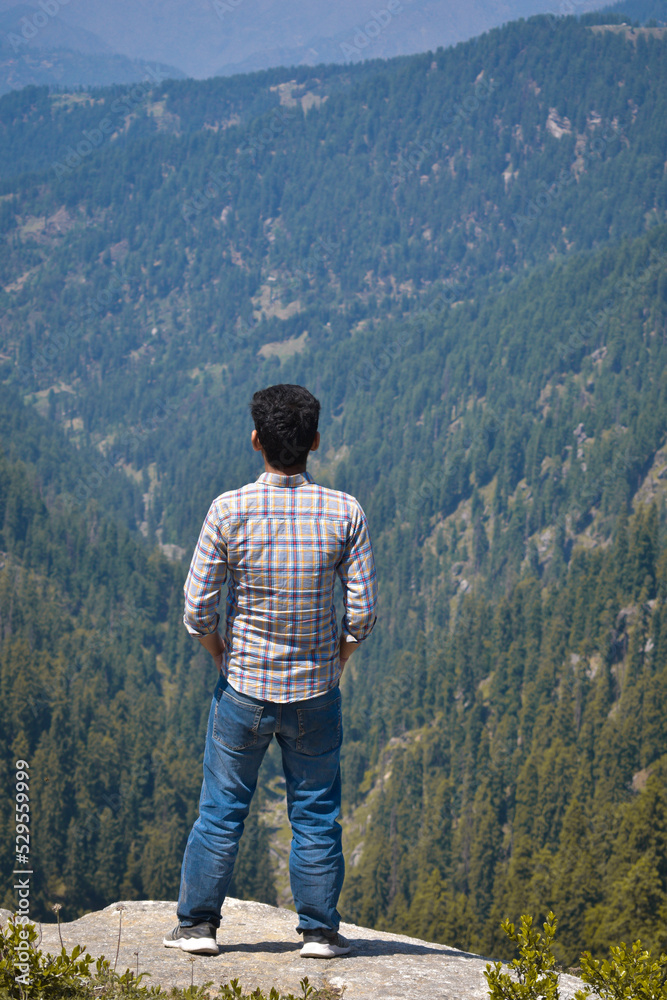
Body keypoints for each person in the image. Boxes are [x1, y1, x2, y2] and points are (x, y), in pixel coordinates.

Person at [164, 383, 378, 959]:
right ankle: (317, 932)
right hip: (315, 693)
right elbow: (360, 615)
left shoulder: (228, 510)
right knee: (315, 813)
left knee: (223, 808)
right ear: (314, 441)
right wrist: (338, 660)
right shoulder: (345, 512)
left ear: (256, 440)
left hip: (243, 690)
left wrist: (218, 653)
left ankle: (198, 928)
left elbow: (196, 609)